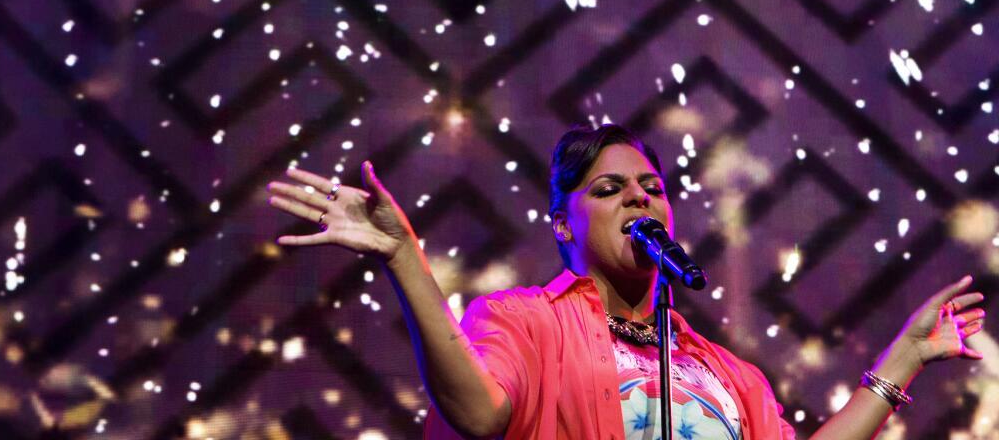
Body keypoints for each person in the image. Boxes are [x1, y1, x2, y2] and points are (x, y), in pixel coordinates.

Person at [265, 123, 986, 439]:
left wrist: (903, 359)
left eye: (651, 186)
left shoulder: (725, 372)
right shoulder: (523, 321)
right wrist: (404, 260)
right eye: (609, 189)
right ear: (562, 223)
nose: (639, 198)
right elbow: (480, 415)